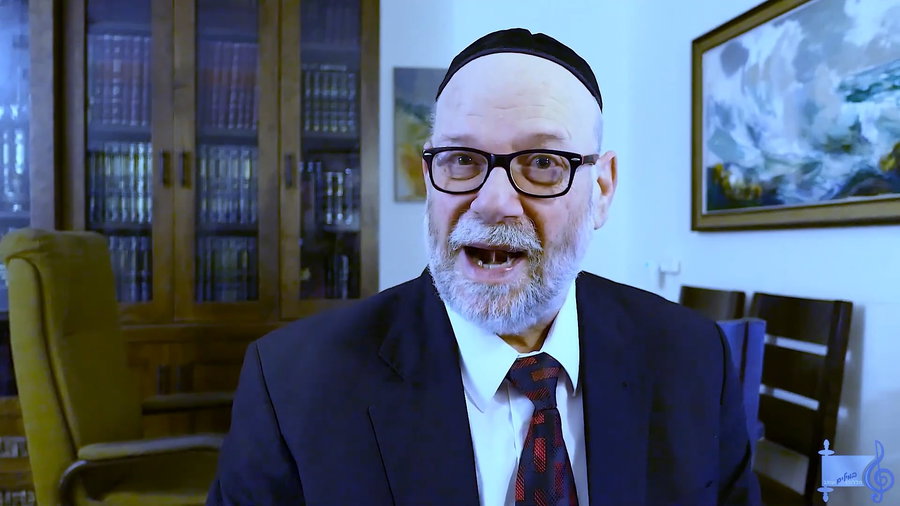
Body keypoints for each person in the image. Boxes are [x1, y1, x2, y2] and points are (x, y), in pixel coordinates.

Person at [208, 28, 760, 505]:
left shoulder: (693, 358)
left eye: (542, 162)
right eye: (462, 160)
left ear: (602, 189)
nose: (493, 202)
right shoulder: (292, 384)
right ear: (430, 179)